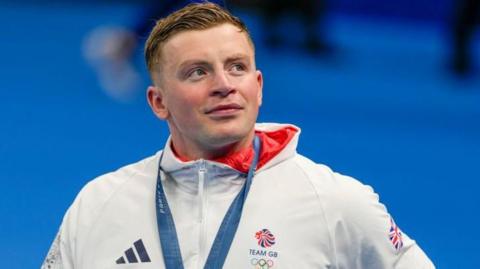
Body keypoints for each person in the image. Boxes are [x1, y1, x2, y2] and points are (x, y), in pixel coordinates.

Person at [43, 2, 435, 268]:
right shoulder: (99, 203)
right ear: (158, 102)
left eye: (236, 67)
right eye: (197, 72)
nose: (223, 85)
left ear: (259, 86)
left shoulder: (334, 202)